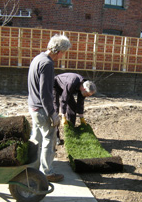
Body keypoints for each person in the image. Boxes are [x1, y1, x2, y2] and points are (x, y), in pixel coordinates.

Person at [28, 34, 71, 182]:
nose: (62, 56)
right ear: (59, 51)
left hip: (33, 107)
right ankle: (47, 172)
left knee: (37, 139)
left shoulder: (37, 58)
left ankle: (33, 169)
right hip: (42, 109)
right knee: (48, 140)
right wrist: (52, 113)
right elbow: (45, 93)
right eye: (63, 53)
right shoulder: (47, 64)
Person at [53, 72, 97, 145]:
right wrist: (63, 116)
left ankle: (71, 130)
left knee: (73, 107)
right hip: (56, 85)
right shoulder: (72, 82)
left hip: (67, 89)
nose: (87, 96)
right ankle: (56, 137)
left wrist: (81, 117)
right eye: (88, 94)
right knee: (55, 109)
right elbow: (64, 99)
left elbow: (80, 103)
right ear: (84, 88)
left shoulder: (83, 89)